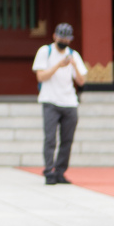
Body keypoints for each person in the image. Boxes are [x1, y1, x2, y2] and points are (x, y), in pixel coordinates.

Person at [32, 22, 87, 185]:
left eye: (67, 38)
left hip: (70, 102)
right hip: (50, 100)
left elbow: (82, 81)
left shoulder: (73, 55)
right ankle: (49, 171)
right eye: (61, 37)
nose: (64, 41)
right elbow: (41, 77)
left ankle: (60, 171)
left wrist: (74, 65)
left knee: (67, 140)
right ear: (55, 36)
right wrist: (58, 65)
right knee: (50, 139)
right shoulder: (45, 51)